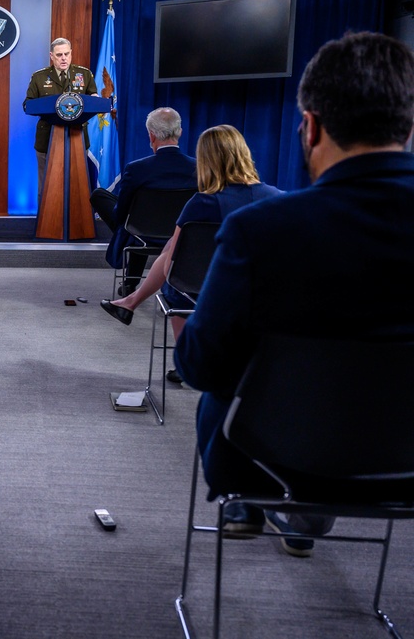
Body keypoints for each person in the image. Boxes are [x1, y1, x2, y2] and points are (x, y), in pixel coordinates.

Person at [174, 32, 414, 557]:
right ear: (409, 126)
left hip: (264, 456)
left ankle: (258, 502)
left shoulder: (261, 231)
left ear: (310, 127)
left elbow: (198, 366)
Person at [99, 125, 283, 382]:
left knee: (175, 276)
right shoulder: (278, 198)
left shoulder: (202, 203)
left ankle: (187, 361)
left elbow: (171, 265)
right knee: (171, 251)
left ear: (206, 160)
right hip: (261, 291)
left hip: (198, 289)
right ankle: (131, 303)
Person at [93, 107, 198, 296]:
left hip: (141, 232)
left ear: (151, 135)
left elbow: (120, 214)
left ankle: (130, 283)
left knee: (101, 198)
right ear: (180, 132)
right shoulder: (198, 168)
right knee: (133, 218)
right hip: (181, 233)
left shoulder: (137, 169)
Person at [23, 38, 97, 193]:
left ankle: (78, 217)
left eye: (66, 54)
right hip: (48, 137)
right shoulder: (39, 77)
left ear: (71, 53)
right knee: (47, 185)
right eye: (59, 55)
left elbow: (94, 99)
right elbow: (27, 105)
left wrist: (96, 99)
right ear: (52, 56)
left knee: (78, 185)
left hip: (77, 137)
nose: (63, 58)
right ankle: (46, 217)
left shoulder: (84, 74)